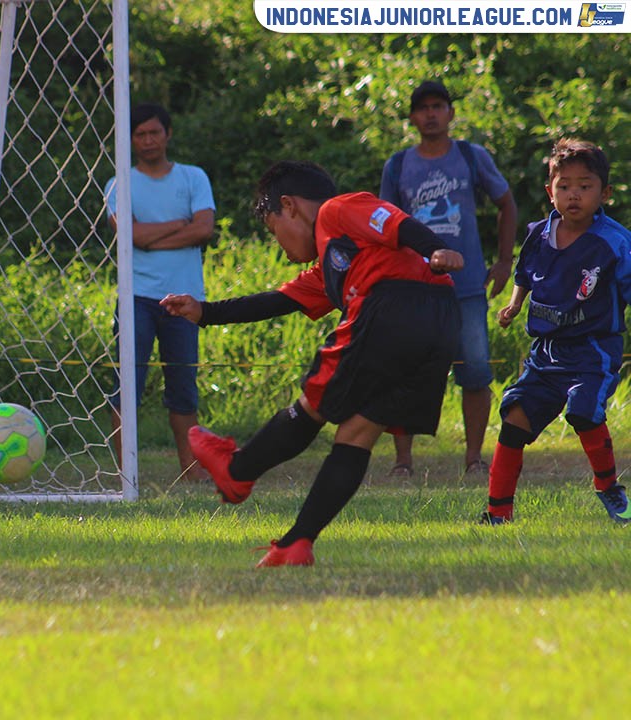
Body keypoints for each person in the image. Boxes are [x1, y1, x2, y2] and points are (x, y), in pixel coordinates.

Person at [162, 160, 463, 567]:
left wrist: (435, 249)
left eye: (273, 231)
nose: (281, 247)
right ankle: (296, 543)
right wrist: (205, 312)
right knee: (357, 433)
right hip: (439, 321)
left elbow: (394, 222)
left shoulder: (336, 211)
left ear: (289, 206)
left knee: (314, 403)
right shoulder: (332, 264)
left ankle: (238, 470)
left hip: (392, 304)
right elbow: (278, 300)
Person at [480, 138, 631, 525]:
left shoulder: (614, 242)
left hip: (593, 350)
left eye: (585, 185)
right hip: (546, 352)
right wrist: (515, 304)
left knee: (583, 413)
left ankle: (608, 486)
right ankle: (497, 513)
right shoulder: (538, 233)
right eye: (564, 186)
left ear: (605, 193)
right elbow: (524, 273)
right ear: (551, 192)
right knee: (514, 419)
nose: (574, 195)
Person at [379, 79, 519, 477]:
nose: (430, 114)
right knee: (405, 370)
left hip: (468, 285)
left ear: (451, 113)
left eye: (438, 106)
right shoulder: (399, 165)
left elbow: (506, 203)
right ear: (411, 117)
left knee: (475, 371)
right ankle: (402, 462)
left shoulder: (470, 156)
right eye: (422, 108)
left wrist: (505, 261)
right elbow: (385, 225)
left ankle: (474, 459)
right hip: (414, 287)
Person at [103, 103, 216, 481]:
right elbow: (131, 236)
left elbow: (203, 229)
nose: (148, 140)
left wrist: (151, 236)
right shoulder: (119, 183)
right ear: (130, 139)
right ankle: (127, 474)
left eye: (154, 132)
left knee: (183, 388)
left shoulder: (193, 177)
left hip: (185, 300)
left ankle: (191, 470)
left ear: (168, 134)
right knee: (127, 387)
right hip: (136, 298)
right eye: (140, 134)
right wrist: (176, 225)